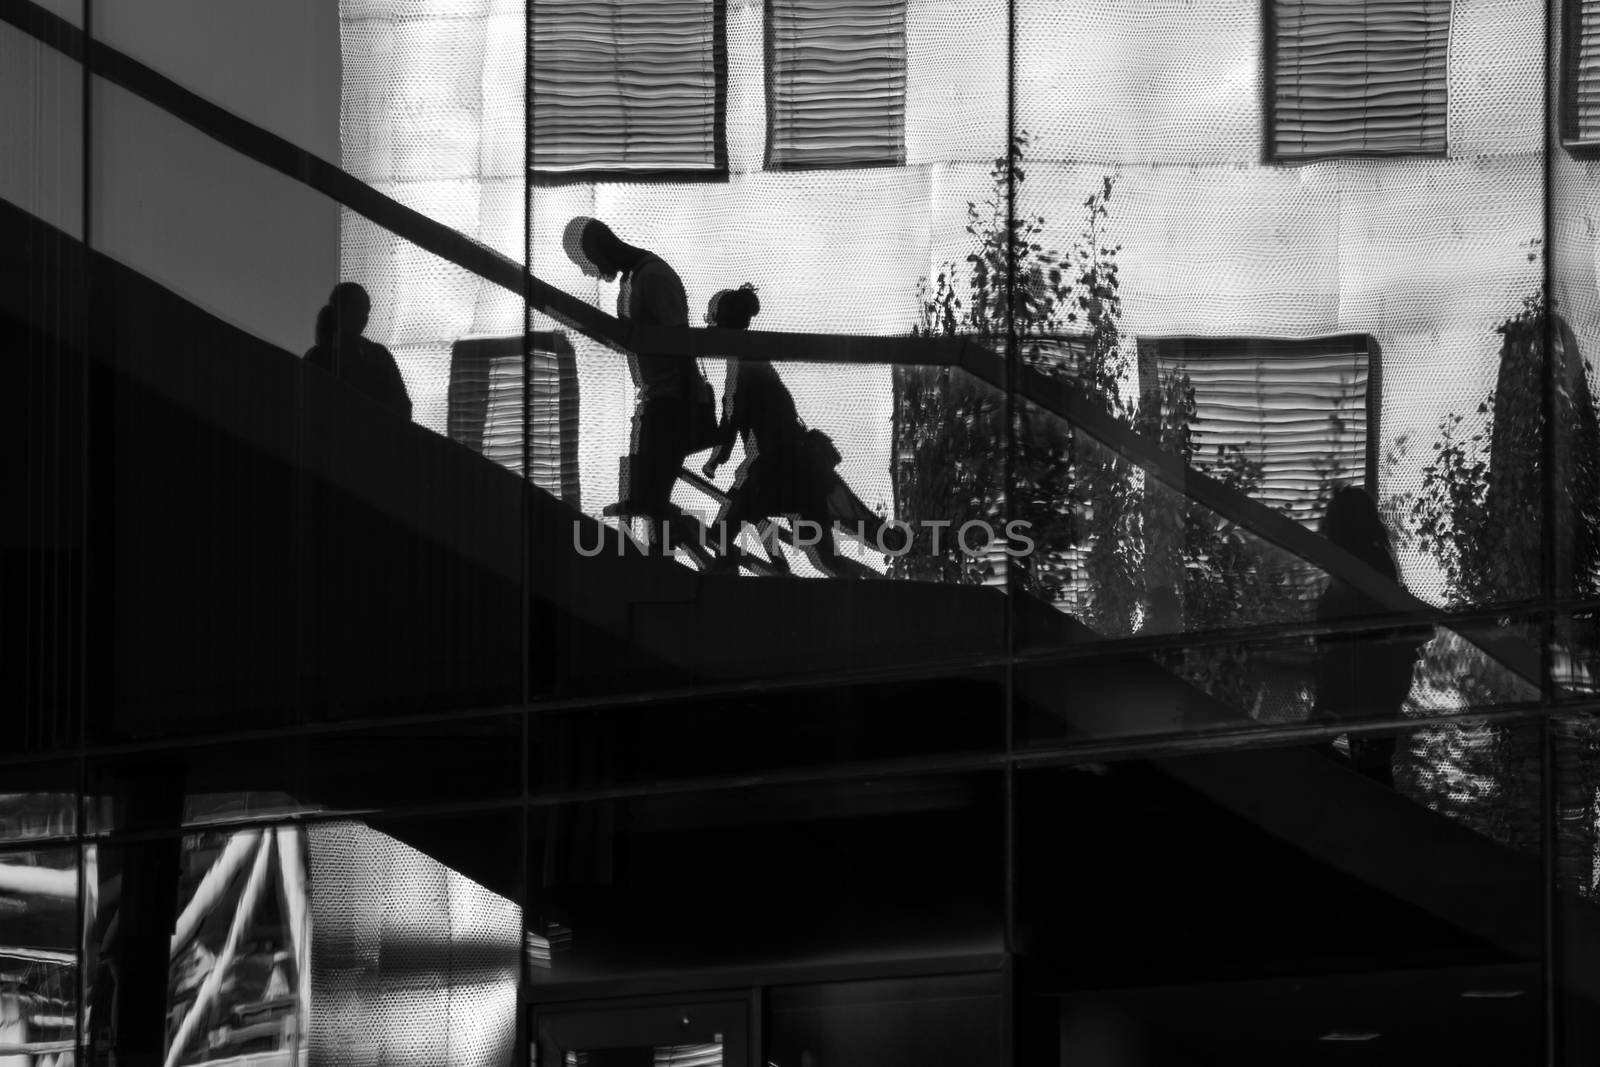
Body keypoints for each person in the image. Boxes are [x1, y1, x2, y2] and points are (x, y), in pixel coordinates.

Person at [562, 217, 716, 555]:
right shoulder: (635, 278)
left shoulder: (654, 278)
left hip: (672, 403)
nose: (589, 273)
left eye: (586, 263)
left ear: (597, 250)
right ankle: (684, 554)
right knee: (649, 500)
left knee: (649, 499)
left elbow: (681, 346)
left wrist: (689, 409)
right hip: (660, 402)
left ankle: (700, 552)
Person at [701, 285, 859, 576]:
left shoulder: (741, 364)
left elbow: (731, 421)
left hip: (776, 470)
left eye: (713, 324)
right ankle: (859, 590)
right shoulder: (754, 359)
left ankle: (723, 583)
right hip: (797, 468)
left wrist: (714, 460)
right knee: (824, 557)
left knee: (723, 531)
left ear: (724, 326)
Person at [1311, 485, 1424, 786]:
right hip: (1374, 685)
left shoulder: (1360, 568)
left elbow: (1348, 629)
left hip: (1358, 684)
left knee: (1316, 753)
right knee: (1371, 767)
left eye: (1330, 520)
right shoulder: (1373, 562)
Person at [304, 282, 412, 420]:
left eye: (366, 311)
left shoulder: (378, 355)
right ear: (339, 311)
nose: (364, 318)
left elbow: (402, 407)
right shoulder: (317, 356)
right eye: (357, 309)